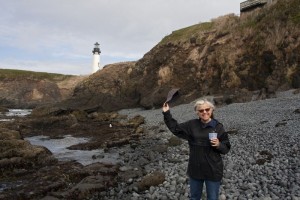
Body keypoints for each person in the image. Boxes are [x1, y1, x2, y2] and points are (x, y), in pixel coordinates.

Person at [162, 99, 231, 200]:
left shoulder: (218, 127)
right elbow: (176, 129)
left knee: (212, 198)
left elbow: (226, 149)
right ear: (197, 113)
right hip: (195, 169)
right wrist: (166, 113)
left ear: (211, 110)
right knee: (194, 197)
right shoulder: (191, 125)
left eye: (207, 109)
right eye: (201, 110)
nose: (204, 112)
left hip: (213, 170)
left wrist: (218, 144)